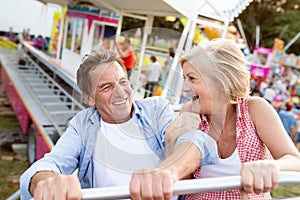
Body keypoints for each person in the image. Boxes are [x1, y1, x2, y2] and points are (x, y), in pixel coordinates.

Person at [20, 49, 212, 200]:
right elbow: (51, 162)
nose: (121, 93)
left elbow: (188, 142)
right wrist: (47, 182)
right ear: (88, 98)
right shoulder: (83, 125)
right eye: (106, 87)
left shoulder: (156, 108)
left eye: (123, 82)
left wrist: (167, 173)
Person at [131, 39, 300, 200]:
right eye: (185, 78)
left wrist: (273, 166)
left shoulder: (255, 109)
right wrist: (171, 142)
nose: (184, 88)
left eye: (192, 78)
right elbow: (183, 184)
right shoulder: (189, 113)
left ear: (221, 82)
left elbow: (294, 160)